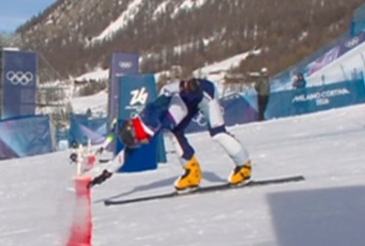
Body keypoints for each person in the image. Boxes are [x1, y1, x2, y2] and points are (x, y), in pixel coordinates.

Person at [87, 77, 252, 192]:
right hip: (187, 104)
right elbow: (126, 153)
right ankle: (192, 172)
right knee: (175, 133)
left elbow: (166, 91)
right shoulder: (145, 131)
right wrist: (106, 173)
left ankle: (244, 166)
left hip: (201, 93)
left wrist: (185, 85)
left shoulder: (151, 115)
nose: (141, 145)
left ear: (137, 135)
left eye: (138, 142)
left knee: (217, 133)